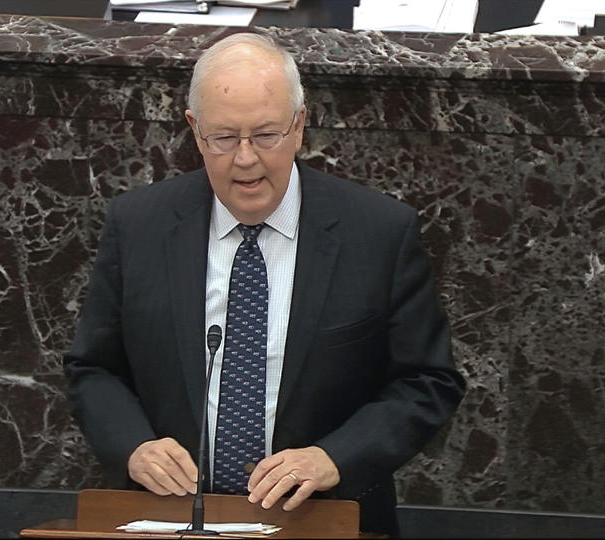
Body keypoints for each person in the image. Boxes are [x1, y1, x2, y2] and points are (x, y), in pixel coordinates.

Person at [64, 32, 466, 536]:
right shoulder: (138, 224)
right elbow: (93, 368)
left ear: (299, 126)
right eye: (225, 138)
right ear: (194, 130)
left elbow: (427, 381)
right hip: (167, 517)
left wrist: (333, 458)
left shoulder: (379, 232)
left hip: (324, 517)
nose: (246, 158)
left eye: (266, 135)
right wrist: (133, 446)